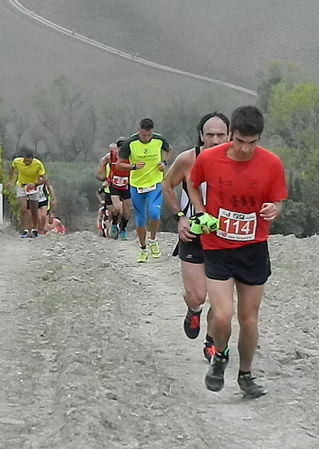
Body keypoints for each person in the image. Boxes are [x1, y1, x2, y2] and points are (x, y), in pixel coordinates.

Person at [187, 105, 287, 398]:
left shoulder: (271, 164)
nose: (245, 149)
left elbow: (277, 201)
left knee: (248, 319)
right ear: (231, 134)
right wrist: (201, 212)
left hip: (254, 248)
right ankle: (219, 357)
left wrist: (273, 209)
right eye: (240, 141)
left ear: (259, 139)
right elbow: (193, 184)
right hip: (218, 247)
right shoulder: (209, 158)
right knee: (222, 315)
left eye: (251, 143)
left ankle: (246, 375)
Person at [162, 112, 230, 362]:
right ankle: (193, 309)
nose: (215, 140)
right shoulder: (188, 159)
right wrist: (180, 216)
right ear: (201, 135)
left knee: (221, 299)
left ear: (230, 135)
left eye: (220, 134)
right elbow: (167, 185)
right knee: (198, 295)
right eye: (209, 135)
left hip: (225, 238)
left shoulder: (240, 161)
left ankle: (212, 341)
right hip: (194, 233)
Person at [117, 118, 172, 262]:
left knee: (154, 213)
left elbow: (169, 150)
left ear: (152, 132)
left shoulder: (159, 139)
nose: (146, 138)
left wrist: (164, 163)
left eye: (148, 135)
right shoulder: (130, 143)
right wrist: (133, 167)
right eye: (143, 135)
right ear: (138, 131)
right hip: (137, 185)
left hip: (155, 183)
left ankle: (153, 240)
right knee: (140, 220)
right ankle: (143, 248)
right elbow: (119, 164)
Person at [96, 137, 132, 240]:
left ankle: (123, 230)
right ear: (117, 148)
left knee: (126, 212)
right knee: (116, 208)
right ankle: (114, 224)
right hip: (114, 185)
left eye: (124, 149)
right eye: (120, 149)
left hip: (126, 185)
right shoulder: (111, 156)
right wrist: (102, 175)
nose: (122, 151)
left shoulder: (131, 156)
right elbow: (102, 163)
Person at [7, 147, 46, 238]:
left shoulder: (38, 164)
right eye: (26, 161)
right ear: (23, 158)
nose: (27, 163)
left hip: (33, 187)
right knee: (23, 209)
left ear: (32, 159)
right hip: (21, 185)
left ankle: (34, 230)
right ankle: (25, 230)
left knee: (34, 210)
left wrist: (35, 184)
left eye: (29, 161)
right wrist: (10, 180)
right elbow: (11, 168)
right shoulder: (17, 161)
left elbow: (44, 178)